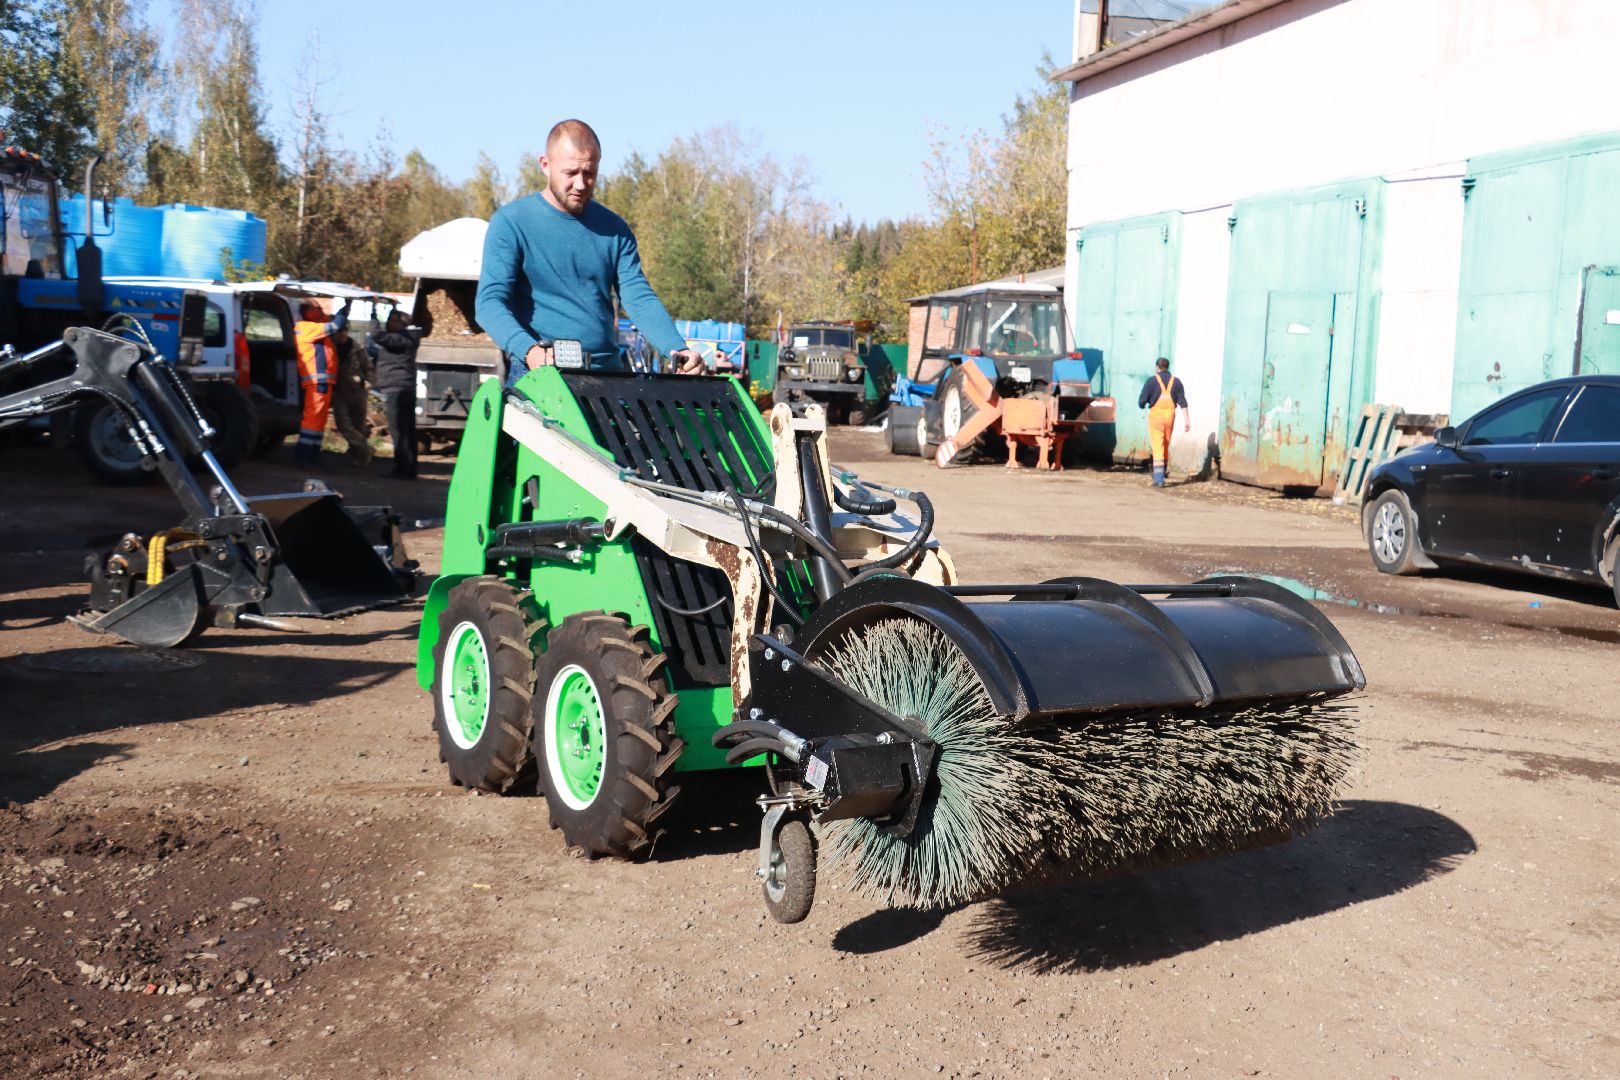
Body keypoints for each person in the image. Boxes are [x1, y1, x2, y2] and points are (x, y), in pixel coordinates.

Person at [476, 118, 705, 379]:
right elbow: (490, 303)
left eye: (589, 173)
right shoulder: (511, 223)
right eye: (571, 173)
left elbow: (639, 297)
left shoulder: (614, 229)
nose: (582, 184)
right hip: (538, 376)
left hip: (607, 375)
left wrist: (676, 349)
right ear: (545, 165)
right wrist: (530, 351)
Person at [293, 300, 349, 466]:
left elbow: (334, 321)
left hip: (323, 380)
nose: (322, 311)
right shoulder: (305, 327)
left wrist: (346, 307)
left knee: (319, 419)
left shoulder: (316, 325)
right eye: (318, 308)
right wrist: (346, 307)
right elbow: (335, 325)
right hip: (317, 380)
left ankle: (313, 454)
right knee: (313, 418)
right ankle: (304, 456)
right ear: (309, 311)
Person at [367, 309, 423, 479]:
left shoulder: (401, 338)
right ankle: (408, 468)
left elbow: (377, 335)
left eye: (392, 320)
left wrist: (373, 313)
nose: (388, 323)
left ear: (402, 324)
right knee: (406, 430)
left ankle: (402, 469)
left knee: (398, 429)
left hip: (397, 389)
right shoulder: (406, 338)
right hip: (404, 388)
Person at [1137, 356, 1190, 487]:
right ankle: (1162, 473)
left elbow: (1142, 402)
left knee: (1158, 447)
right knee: (1165, 445)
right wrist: (1187, 420)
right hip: (1170, 417)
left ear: (1157, 367)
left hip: (1156, 417)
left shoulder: (1151, 381)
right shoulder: (1176, 382)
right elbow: (1182, 402)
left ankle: (1159, 479)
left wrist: (1143, 405)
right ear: (1168, 367)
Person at [330, 325, 374, 467]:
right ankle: (365, 448)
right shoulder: (329, 347)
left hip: (357, 392)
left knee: (358, 425)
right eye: (338, 332)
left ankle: (359, 457)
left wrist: (368, 383)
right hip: (339, 392)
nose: (342, 334)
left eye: (344, 331)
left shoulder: (356, 349)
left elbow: (368, 367)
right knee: (343, 425)